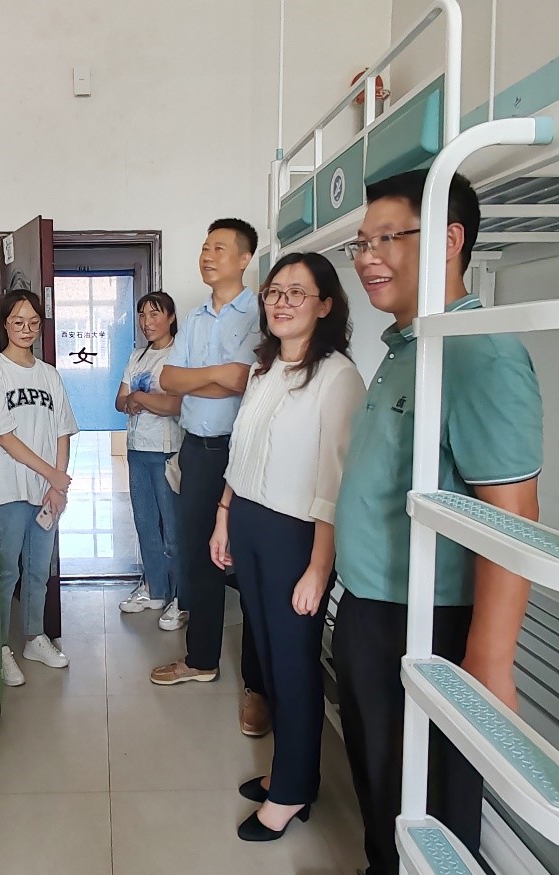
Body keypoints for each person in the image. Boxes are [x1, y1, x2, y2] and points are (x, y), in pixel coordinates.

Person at [332, 169, 543, 874]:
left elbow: (513, 516)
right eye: (361, 243)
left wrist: (490, 661)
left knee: (430, 809)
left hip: (429, 622)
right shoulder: (408, 348)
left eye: (387, 239)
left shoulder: (480, 354)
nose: (367, 258)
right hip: (376, 608)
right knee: (384, 792)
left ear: (450, 240)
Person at [211, 252, 366, 841]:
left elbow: (333, 482)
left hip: (296, 535)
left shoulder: (338, 377)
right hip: (250, 521)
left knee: (294, 663)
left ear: (325, 305)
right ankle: (290, 772)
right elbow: (242, 452)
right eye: (274, 292)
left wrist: (318, 569)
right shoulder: (265, 369)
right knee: (269, 658)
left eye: (296, 293)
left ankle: (292, 792)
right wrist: (224, 517)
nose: (281, 302)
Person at [148, 218, 270, 740]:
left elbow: (246, 380)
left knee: (251, 567)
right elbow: (169, 379)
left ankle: (257, 686)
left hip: (243, 452)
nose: (207, 255)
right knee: (198, 557)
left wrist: (209, 379)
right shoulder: (195, 317)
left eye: (219, 247)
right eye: (204, 247)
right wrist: (216, 376)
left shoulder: (259, 312)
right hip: (197, 451)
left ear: (244, 258)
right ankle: (201, 660)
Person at [0, 289, 79, 687]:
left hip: (47, 494)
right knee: (6, 573)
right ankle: (0, 648)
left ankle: (35, 637)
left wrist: (58, 483)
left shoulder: (49, 375)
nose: (26, 329)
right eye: (18, 322)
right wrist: (51, 475)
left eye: (34, 322)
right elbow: (4, 437)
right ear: (5, 323)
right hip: (10, 491)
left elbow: (63, 430)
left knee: (39, 570)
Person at [116, 291, 187, 631]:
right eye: (142, 314)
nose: (147, 321)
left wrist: (140, 398)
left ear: (171, 317)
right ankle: (155, 590)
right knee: (145, 523)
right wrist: (137, 399)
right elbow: (120, 401)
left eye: (155, 314)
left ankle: (181, 598)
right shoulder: (137, 356)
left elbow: (175, 405)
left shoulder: (180, 355)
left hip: (167, 450)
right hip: (137, 449)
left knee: (173, 529)